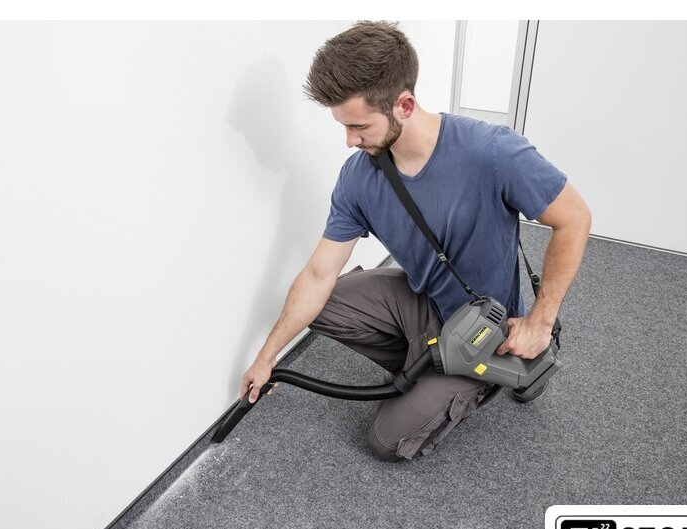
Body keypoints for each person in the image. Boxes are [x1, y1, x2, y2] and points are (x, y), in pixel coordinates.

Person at [239, 21, 591, 461]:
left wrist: (539, 321)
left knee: (385, 441)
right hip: (424, 301)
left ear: (404, 105)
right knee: (319, 303)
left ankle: (480, 379)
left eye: (359, 126)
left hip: (484, 328)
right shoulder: (359, 178)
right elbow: (316, 275)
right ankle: (427, 364)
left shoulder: (492, 153)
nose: (349, 141)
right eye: (344, 127)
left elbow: (574, 218)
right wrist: (267, 356)